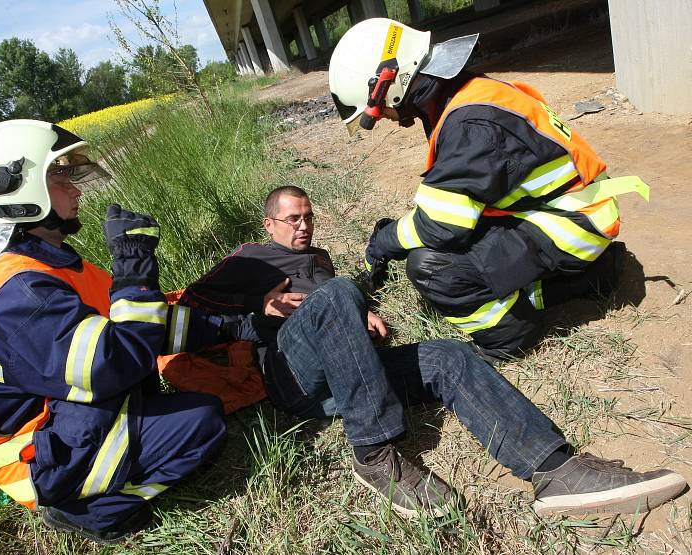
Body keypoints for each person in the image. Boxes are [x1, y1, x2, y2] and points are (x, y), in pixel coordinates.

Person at [180, 185, 686, 519]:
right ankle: (375, 453)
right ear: (268, 225)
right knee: (337, 296)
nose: (302, 226)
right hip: (292, 376)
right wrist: (257, 306)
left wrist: (358, 313)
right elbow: (188, 318)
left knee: (447, 354)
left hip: (347, 371)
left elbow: (337, 303)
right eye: (291, 220)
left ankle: (555, 470)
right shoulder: (245, 261)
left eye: (308, 217)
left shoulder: (319, 260)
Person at [0, 120, 227, 544]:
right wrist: (133, 266)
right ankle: (94, 511)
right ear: (16, 189)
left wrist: (237, 323)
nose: (76, 190)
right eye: (59, 176)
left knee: (189, 405)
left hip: (64, 424)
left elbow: (139, 325)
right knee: (202, 422)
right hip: (37, 459)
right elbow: (112, 363)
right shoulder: (19, 294)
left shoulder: (47, 266)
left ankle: (101, 480)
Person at [328, 18, 651, 359]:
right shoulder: (467, 96)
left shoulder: (471, 126)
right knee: (459, 244)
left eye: (379, 112)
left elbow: (440, 227)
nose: (385, 119)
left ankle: (510, 336)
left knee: (431, 266)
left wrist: (384, 242)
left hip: (571, 224)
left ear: (388, 85)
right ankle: (588, 279)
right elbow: (454, 203)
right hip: (572, 210)